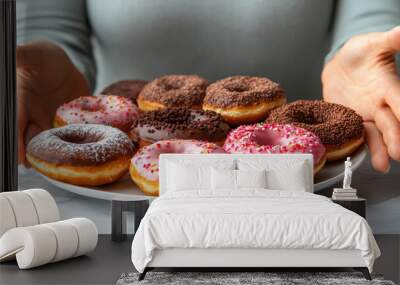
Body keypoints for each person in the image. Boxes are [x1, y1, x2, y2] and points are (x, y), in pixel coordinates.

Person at [16, 0, 400, 173]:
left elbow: (371, 14)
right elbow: (49, 22)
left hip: (312, 180)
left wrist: (365, 51)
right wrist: (43, 65)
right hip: (111, 201)